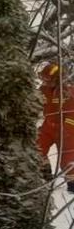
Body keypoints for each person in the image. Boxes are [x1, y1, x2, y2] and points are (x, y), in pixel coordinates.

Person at [37, 61, 74, 192]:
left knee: (67, 158)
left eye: (47, 79)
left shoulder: (68, 92)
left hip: (67, 129)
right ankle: (44, 175)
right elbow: (34, 102)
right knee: (37, 147)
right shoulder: (43, 90)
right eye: (44, 79)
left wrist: (67, 129)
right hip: (48, 126)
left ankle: (72, 184)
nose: (44, 82)